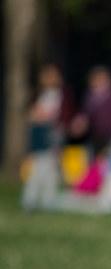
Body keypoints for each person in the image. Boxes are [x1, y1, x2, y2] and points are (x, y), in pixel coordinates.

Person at [22, 64, 74, 210]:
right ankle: (30, 199)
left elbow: (63, 115)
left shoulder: (62, 95)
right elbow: (32, 114)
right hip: (41, 133)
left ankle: (48, 200)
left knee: (51, 168)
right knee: (39, 167)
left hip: (53, 133)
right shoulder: (39, 94)